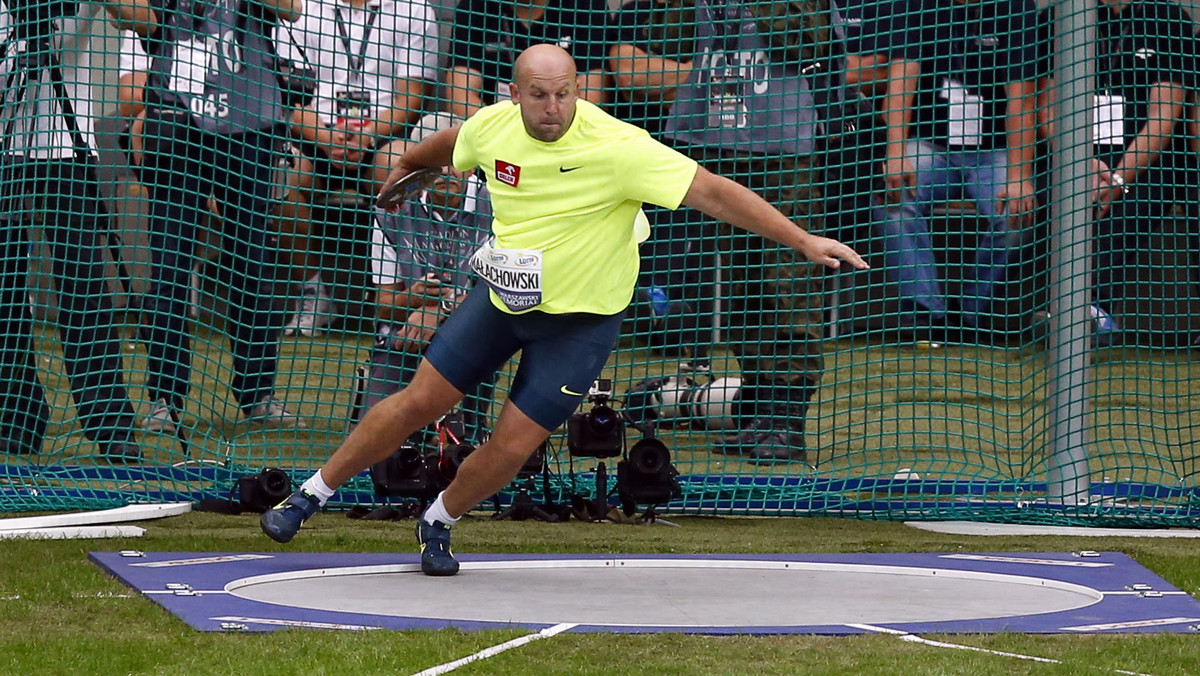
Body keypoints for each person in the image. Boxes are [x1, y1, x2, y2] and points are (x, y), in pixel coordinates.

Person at [260, 44, 868, 576]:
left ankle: (439, 521)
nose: (551, 107)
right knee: (420, 402)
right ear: (516, 95)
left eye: (563, 94)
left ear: (577, 90)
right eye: (538, 96)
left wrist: (802, 240)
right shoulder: (493, 126)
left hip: (581, 323)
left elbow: (713, 191)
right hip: (502, 302)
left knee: (513, 442)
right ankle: (309, 496)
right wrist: (411, 165)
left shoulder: (619, 146)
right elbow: (453, 142)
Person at [609, 0, 855, 463]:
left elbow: (807, 43)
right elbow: (665, 43)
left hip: (785, 148)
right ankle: (759, 413)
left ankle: (786, 421)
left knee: (790, 285)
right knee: (743, 289)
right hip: (718, 142)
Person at [104, 0, 308, 433]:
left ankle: (258, 394)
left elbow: (291, 9)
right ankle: (165, 397)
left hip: (251, 124)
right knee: (170, 265)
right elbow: (139, 19)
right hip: (176, 123)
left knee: (252, 261)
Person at [0, 0, 143, 460]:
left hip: (68, 146)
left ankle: (111, 423)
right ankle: (15, 417)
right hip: (5, 141)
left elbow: (143, 17)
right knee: (4, 293)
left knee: (84, 288)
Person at [852, 0, 1042, 335]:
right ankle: (927, 313)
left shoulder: (1014, 7)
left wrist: (1019, 175)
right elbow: (901, 81)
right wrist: (895, 151)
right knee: (890, 198)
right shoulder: (920, 6)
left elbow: (1022, 97)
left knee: (1016, 213)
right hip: (930, 145)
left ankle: (969, 314)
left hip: (992, 150)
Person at [274, 0, 439, 336]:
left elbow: (409, 99)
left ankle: (403, 298)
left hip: (380, 136)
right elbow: (287, 96)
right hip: (313, 135)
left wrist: (363, 137)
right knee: (277, 176)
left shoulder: (414, 9)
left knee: (402, 173)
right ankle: (312, 292)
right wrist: (326, 137)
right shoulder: (297, 6)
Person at [350, 112, 495, 444]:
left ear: (472, 164)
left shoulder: (498, 208)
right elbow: (384, 307)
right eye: (437, 162)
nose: (447, 171)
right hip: (404, 339)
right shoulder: (393, 209)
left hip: (472, 343)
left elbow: (499, 302)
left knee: (461, 451)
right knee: (382, 448)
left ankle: (467, 422)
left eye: (456, 160)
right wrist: (413, 299)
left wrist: (439, 310)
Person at [1083, 0, 1198, 346]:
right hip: (1079, 158)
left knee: (1132, 202)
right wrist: (1083, 163)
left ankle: (1091, 310)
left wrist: (1117, 178)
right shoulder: (1063, 16)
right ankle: (1079, 312)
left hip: (1149, 160)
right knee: (1061, 197)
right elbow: (1046, 102)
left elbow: (1166, 115)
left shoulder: (1167, 17)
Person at [442, 0, 615, 119]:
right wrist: (515, 132)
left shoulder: (587, 5)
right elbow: (460, 98)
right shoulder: (475, 6)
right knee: (435, 123)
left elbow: (592, 100)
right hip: (497, 134)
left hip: (563, 132)